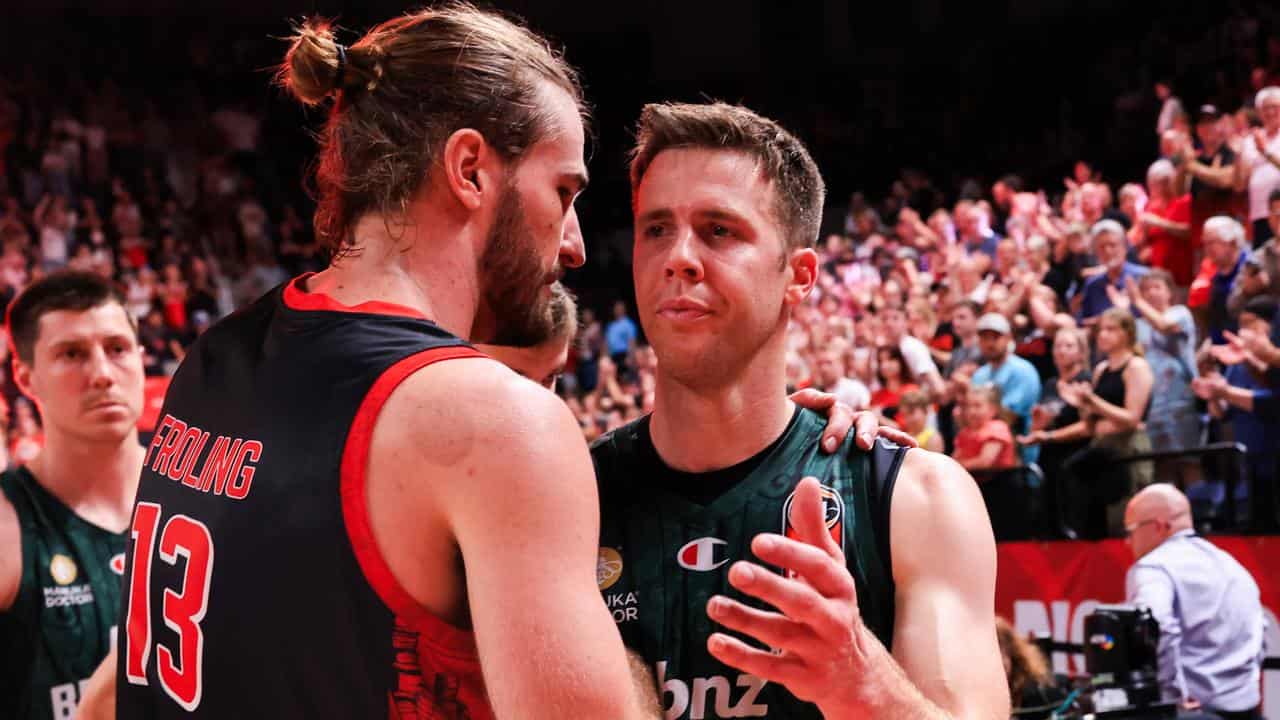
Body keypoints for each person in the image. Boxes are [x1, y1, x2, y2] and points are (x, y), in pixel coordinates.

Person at [115, 9, 657, 718]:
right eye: (563, 192)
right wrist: (639, 669)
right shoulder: (496, 422)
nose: (575, 244)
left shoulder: (215, 355)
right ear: (470, 170)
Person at [592, 101, 1008, 718]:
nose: (677, 256)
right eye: (655, 229)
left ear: (801, 275)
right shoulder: (570, 498)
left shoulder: (915, 497)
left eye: (718, 230)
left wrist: (864, 685)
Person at [0, 272, 146, 720]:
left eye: (117, 349)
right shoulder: (9, 523)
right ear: (25, 377)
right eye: (72, 354)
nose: (102, 374)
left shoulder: (207, 494)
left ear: (141, 358)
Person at [1124, 484, 1264, 719]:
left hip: (1194, 713)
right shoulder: (1231, 564)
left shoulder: (1153, 568)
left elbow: (1157, 629)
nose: (1127, 541)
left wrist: (1172, 699)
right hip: (1247, 708)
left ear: (1160, 526)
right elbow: (1260, 631)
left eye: (1130, 530)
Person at [1023, 308, 1154, 538]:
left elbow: (1132, 417)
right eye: (1101, 330)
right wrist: (1081, 404)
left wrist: (1092, 400)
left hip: (1127, 447)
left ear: (1128, 333)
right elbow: (1090, 423)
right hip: (1101, 446)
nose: (1103, 335)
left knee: (1124, 518)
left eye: (1111, 329)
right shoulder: (1102, 369)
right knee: (1094, 517)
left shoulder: (1136, 366)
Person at [1194, 296, 1280, 530]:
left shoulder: (1269, 361)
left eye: (1252, 324)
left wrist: (1226, 391)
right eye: (1241, 325)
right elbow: (1224, 414)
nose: (1245, 332)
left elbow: (1272, 404)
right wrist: (1213, 392)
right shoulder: (1237, 364)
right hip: (1249, 462)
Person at [1119, 270, 1200, 488]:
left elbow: (1164, 325)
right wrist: (1124, 308)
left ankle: (1202, 515)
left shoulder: (1180, 313)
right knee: (1161, 465)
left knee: (1189, 460)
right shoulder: (1137, 325)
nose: (1151, 293)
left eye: (1157, 287)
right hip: (1152, 406)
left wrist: (1136, 301)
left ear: (1170, 292)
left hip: (1180, 401)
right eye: (1145, 289)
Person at [971, 312, 1041, 462]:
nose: (990, 343)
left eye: (995, 337)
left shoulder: (1022, 370)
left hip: (1018, 454)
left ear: (1008, 338)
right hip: (980, 453)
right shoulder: (979, 374)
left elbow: (1009, 417)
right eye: (984, 338)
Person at [1078, 219, 1148, 322]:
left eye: (1112, 245)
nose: (1108, 251)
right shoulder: (1092, 284)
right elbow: (1084, 320)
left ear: (1125, 246)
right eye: (1102, 247)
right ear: (1095, 252)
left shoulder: (1144, 277)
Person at [1239, 86, 1280, 245]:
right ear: (1258, 112)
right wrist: (1238, 155)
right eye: (1265, 108)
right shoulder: (1250, 140)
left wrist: (1266, 152)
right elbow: (1239, 184)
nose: (1270, 112)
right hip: (1259, 215)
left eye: (1275, 107)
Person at [1203, 215, 1249, 345]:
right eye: (1205, 243)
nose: (1207, 249)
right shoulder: (1217, 277)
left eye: (1212, 242)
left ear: (1232, 242)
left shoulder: (1251, 269)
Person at [952, 384, 1016, 471]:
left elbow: (984, 462)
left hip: (997, 481)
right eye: (968, 406)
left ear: (993, 410)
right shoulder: (965, 431)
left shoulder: (998, 428)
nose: (971, 411)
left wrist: (955, 467)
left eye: (977, 406)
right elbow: (955, 457)